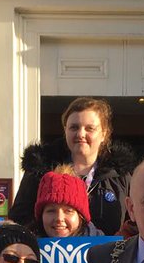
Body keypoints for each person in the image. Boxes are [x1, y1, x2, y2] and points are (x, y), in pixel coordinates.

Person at [10, 97, 134, 237]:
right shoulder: (40, 172)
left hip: (107, 256)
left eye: (90, 128)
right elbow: (19, 220)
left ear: (104, 134)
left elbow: (134, 224)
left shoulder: (121, 176)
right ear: (65, 130)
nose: (81, 134)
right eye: (74, 127)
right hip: (51, 255)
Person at [26, 168, 103, 239]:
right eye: (51, 211)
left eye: (68, 211)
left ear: (80, 217)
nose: (59, 218)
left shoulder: (103, 248)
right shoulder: (26, 247)